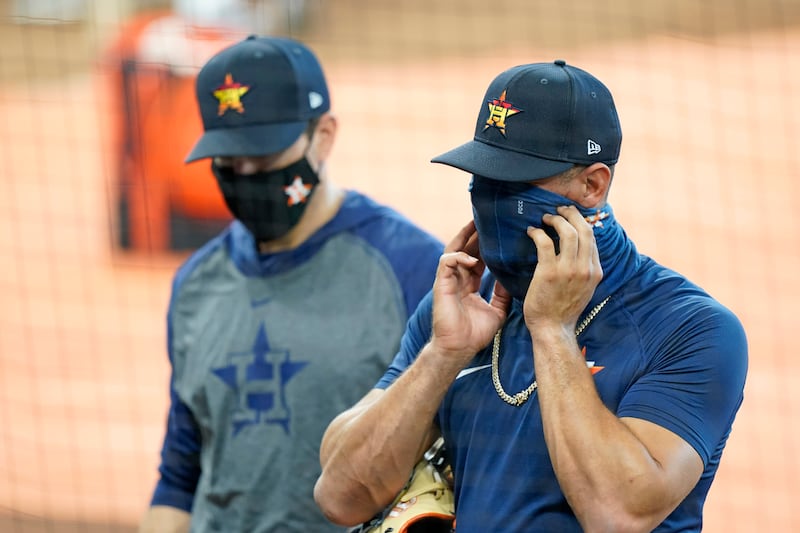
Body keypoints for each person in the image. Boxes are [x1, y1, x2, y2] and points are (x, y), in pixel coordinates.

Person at [314, 60, 748, 532]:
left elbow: (619, 514)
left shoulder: (689, 328)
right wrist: (444, 353)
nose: (494, 201)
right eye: (484, 180)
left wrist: (553, 329)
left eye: (517, 185)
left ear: (592, 185)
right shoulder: (464, 309)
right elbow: (340, 496)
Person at [138, 35, 444, 532]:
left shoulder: (412, 268)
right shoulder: (196, 283)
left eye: (264, 160)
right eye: (230, 164)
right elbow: (180, 473)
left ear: (323, 136)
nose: (246, 176)